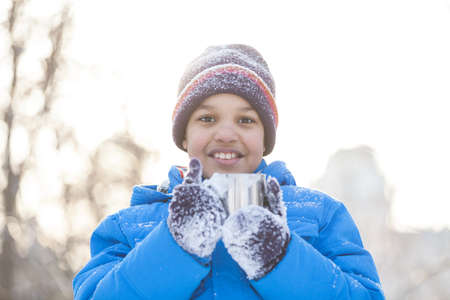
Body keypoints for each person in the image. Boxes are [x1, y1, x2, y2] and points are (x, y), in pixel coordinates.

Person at [73, 44, 385, 299]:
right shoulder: (130, 227)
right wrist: (175, 246)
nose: (225, 133)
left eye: (246, 120)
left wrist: (278, 256)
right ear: (183, 136)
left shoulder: (319, 215)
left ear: (266, 139)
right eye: (207, 119)